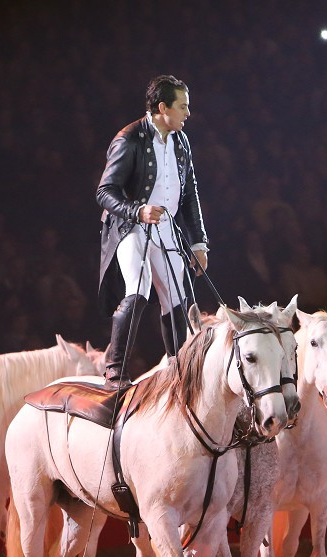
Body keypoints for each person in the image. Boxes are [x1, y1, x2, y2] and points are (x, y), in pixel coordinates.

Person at [96, 74, 209, 389]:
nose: (188, 113)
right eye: (182, 106)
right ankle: (114, 371)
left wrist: (199, 243)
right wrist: (138, 210)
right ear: (163, 107)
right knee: (139, 287)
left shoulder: (181, 141)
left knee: (177, 297)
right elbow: (105, 192)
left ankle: (180, 368)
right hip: (131, 227)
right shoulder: (129, 139)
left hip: (167, 229)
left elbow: (189, 194)